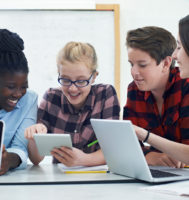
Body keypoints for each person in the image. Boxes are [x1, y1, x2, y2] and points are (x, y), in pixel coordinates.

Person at [25, 41, 120, 166]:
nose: (72, 89)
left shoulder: (106, 94)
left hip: (97, 177)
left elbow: (113, 150)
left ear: (94, 77)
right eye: (65, 80)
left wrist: (83, 160)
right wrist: (33, 138)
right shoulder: (51, 97)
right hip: (61, 178)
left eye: (81, 81)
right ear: (59, 74)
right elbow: (36, 159)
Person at [123, 25, 189, 168]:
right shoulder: (134, 90)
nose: (134, 72)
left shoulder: (186, 86)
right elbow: (127, 144)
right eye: (131, 64)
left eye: (142, 65)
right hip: (160, 174)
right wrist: (148, 156)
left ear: (166, 63)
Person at [0, 29, 38, 175]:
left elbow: (20, 147)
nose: (18, 94)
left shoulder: (29, 99)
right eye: (10, 87)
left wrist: (8, 161)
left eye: (24, 86)